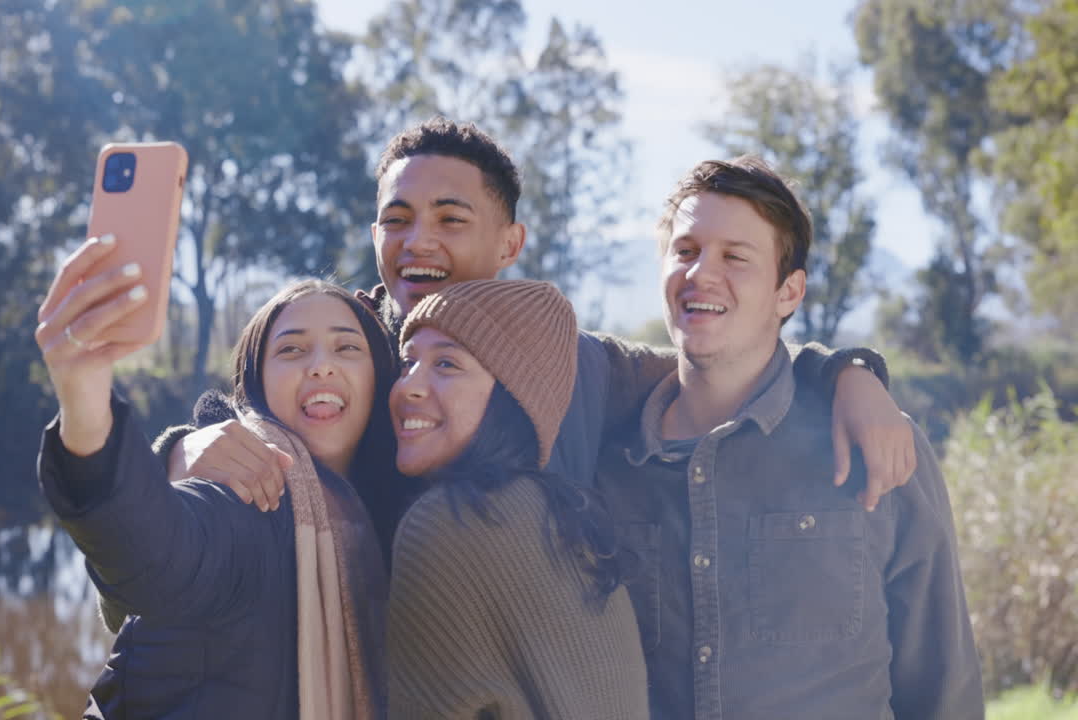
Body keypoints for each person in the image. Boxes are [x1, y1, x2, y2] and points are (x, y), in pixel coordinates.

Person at [166, 117, 916, 528]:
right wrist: (182, 449)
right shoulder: (336, 351)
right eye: (396, 220)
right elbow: (235, 428)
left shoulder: (574, 364)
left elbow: (719, 364)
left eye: (450, 219)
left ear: (509, 245)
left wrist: (845, 370)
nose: (417, 241)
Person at [595, 156, 984, 719]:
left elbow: (944, 683)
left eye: (735, 257)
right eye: (685, 251)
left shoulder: (875, 444)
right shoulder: (609, 466)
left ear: (789, 293)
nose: (701, 272)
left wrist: (847, 370)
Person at [34, 266, 396, 718]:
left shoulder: (381, 516)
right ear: (255, 384)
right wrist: (85, 401)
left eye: (347, 347)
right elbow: (150, 550)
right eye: (291, 349)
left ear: (379, 379)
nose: (321, 364)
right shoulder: (248, 496)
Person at [385, 279, 648, 719]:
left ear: (511, 399)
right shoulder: (561, 513)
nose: (407, 387)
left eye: (446, 364)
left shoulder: (447, 523)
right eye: (408, 361)